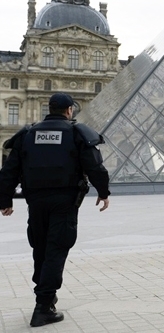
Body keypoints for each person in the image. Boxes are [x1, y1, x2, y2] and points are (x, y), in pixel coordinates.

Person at [0, 93, 110, 327]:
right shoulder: (77, 133)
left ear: (49, 109)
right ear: (69, 110)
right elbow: (95, 166)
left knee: (40, 248)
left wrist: (5, 199)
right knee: (56, 249)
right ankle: (43, 306)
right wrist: (103, 192)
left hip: (35, 201)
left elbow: (9, 170)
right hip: (65, 200)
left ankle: (45, 293)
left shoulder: (28, 134)